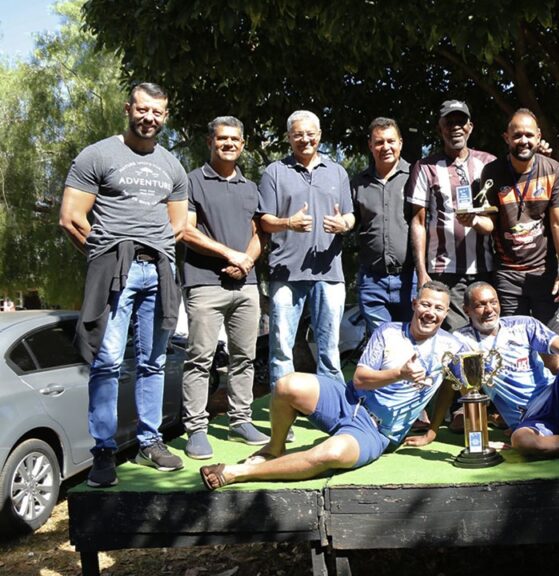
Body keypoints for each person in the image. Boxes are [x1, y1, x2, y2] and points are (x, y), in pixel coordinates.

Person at [198, 281, 463, 489]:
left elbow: (452, 386)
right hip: (348, 401)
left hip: (377, 431)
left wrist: (433, 431)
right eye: (426, 305)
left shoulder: (451, 347)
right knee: (287, 385)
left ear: (446, 313)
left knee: (330, 454)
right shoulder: (388, 331)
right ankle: (274, 447)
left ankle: (238, 472)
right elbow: (360, 379)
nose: (431, 313)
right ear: (415, 304)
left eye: (439, 308)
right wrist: (399, 374)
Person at [59, 82, 188, 487]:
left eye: (158, 112)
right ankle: (103, 452)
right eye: (143, 109)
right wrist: (102, 257)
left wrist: (161, 250)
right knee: (108, 361)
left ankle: (150, 440)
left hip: (159, 270)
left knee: (154, 360)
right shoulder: (97, 154)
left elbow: (180, 222)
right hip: (117, 268)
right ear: (127, 109)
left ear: (165, 116)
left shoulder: (172, 164)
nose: (149, 118)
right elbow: (71, 217)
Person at [408, 282, 559, 458]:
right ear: (467, 310)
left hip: (556, 397)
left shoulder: (523, 324)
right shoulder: (459, 342)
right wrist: (432, 432)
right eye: (480, 305)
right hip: (529, 421)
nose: (489, 310)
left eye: (493, 302)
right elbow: (447, 387)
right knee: (522, 442)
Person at [180, 116, 269, 459]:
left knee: (244, 357)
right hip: (204, 284)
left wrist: (246, 260)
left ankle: (241, 420)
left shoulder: (250, 187)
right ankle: (196, 429)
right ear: (210, 142)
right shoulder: (192, 181)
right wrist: (229, 254)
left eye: (234, 139)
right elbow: (186, 231)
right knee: (200, 358)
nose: (228, 144)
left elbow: (259, 232)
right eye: (222, 139)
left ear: (242, 144)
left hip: (245, 284)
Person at [258, 110, 355, 385]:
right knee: (280, 349)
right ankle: (283, 413)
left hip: (329, 273)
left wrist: (343, 224)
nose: (305, 139)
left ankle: (333, 412)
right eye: (298, 134)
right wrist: (288, 222)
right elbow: (264, 221)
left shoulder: (337, 172)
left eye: (310, 134)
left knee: (329, 349)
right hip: (287, 274)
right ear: (289, 137)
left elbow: (350, 215)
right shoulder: (274, 172)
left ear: (319, 136)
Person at [473, 108, 559, 330]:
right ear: (507, 138)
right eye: (517, 135)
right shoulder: (492, 172)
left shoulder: (552, 169)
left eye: (529, 135)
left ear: (538, 137)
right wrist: (473, 221)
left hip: (544, 272)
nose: (523, 140)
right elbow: (489, 222)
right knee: (512, 341)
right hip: (507, 274)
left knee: (552, 346)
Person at [408, 100, 496, 331]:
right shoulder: (425, 167)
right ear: (440, 128)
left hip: (484, 267)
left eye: (461, 122)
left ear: (470, 127)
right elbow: (418, 222)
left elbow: (500, 214)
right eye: (450, 122)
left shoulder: (489, 163)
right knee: (455, 336)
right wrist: (422, 272)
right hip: (443, 269)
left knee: (486, 332)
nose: (456, 127)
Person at [351, 117, 415, 333]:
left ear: (400, 143)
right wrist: (342, 222)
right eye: (379, 142)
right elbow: (351, 219)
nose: (385, 147)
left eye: (391, 141)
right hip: (372, 280)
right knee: (385, 344)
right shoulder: (359, 183)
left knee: (413, 342)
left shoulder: (417, 177)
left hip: (411, 278)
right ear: (370, 145)